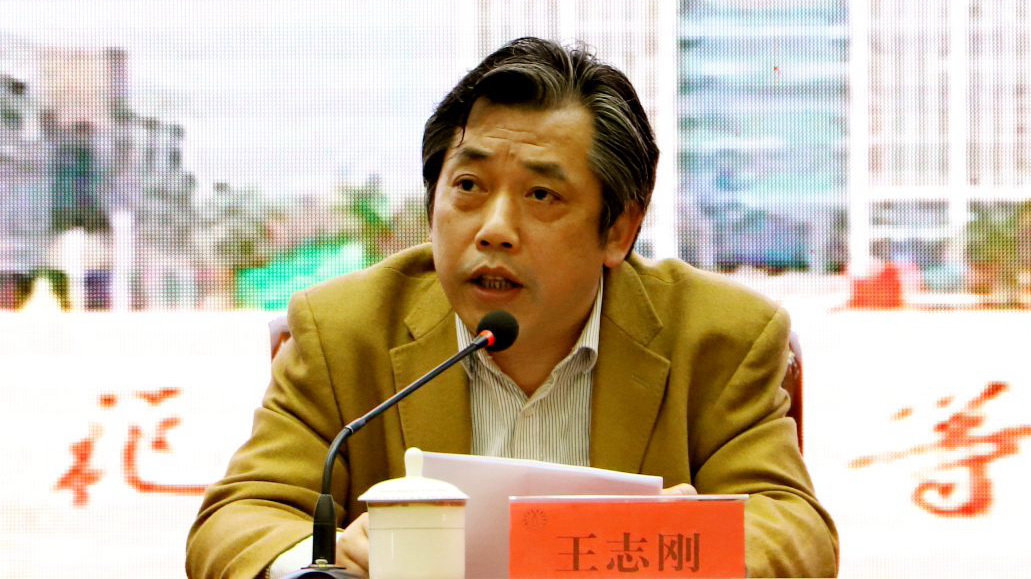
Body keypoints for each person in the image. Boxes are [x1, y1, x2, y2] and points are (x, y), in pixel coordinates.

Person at [186, 37, 838, 578]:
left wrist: (672, 548)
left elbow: (791, 527)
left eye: (541, 195)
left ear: (618, 229)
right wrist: (322, 559)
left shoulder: (719, 335)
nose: (494, 228)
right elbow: (241, 517)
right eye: (468, 185)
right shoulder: (343, 330)